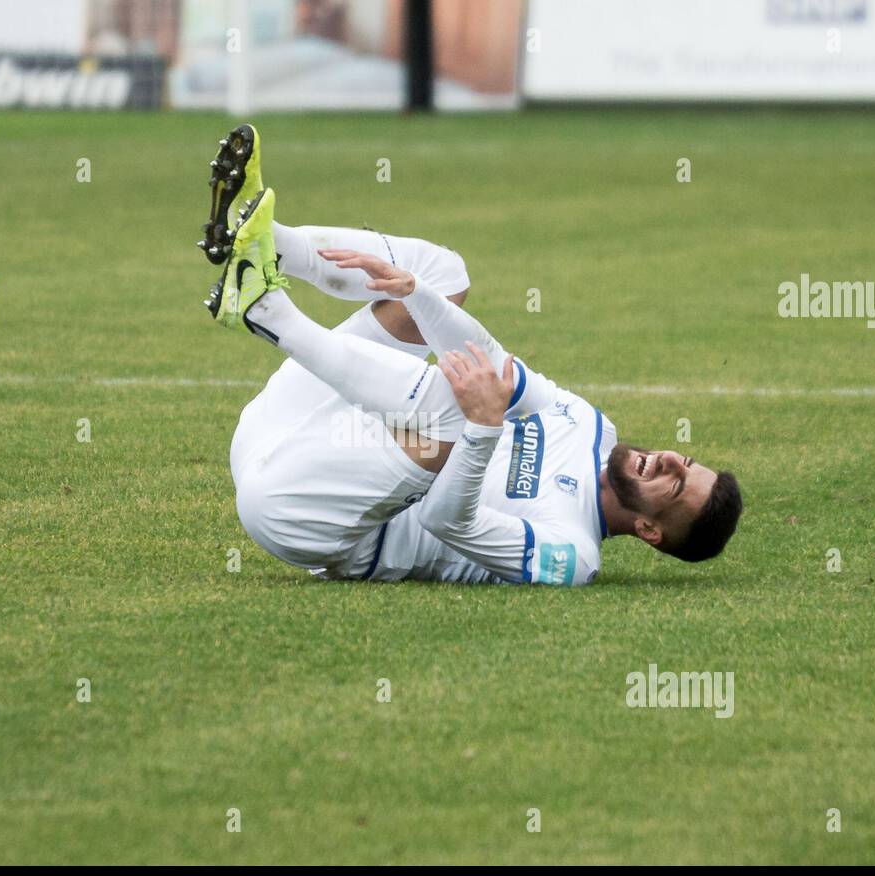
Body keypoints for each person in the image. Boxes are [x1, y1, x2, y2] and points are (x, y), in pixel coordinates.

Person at [201, 125, 742, 586]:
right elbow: (487, 355)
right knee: (443, 278)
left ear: (650, 530)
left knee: (465, 411)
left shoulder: (572, 556)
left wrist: (485, 428)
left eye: (675, 484)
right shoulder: (592, 425)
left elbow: (445, 521)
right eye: (686, 461)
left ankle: (264, 310)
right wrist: (414, 293)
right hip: (284, 428)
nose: (671, 459)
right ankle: (263, 242)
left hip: (302, 512)